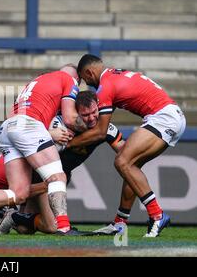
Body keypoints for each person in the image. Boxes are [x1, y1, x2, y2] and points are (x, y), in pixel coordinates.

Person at [0, 65, 88, 235]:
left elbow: (13, 114)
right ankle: (64, 227)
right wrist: (94, 124)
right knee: (57, 177)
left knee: (19, 193)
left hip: (8, 128)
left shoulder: (37, 81)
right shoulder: (69, 80)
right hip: (28, 126)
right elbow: (70, 118)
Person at [67, 54, 186, 237]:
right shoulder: (115, 76)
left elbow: (100, 131)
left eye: (85, 78)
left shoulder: (105, 87)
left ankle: (157, 214)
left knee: (122, 161)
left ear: (89, 72)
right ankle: (120, 223)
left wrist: (68, 143)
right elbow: (102, 118)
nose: (87, 83)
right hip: (171, 115)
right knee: (131, 165)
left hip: (163, 118)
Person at [0, 91, 125, 235]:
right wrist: (50, 135)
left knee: (24, 229)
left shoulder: (106, 129)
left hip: (56, 179)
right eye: (85, 115)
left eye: (94, 112)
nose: (92, 118)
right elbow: (31, 142)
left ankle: (8, 213)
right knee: (53, 226)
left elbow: (126, 152)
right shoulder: (59, 125)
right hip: (43, 177)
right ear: (74, 114)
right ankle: (1, 204)